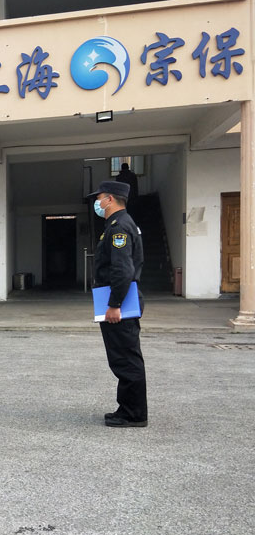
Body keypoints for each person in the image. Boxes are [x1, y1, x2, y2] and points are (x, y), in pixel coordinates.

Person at [88, 180, 147, 428]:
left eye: (99, 198)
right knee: (122, 357)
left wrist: (114, 304)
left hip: (119, 304)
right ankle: (128, 408)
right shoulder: (118, 224)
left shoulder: (120, 226)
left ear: (110, 199)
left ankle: (133, 414)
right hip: (119, 301)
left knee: (126, 359)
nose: (97, 203)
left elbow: (122, 270)